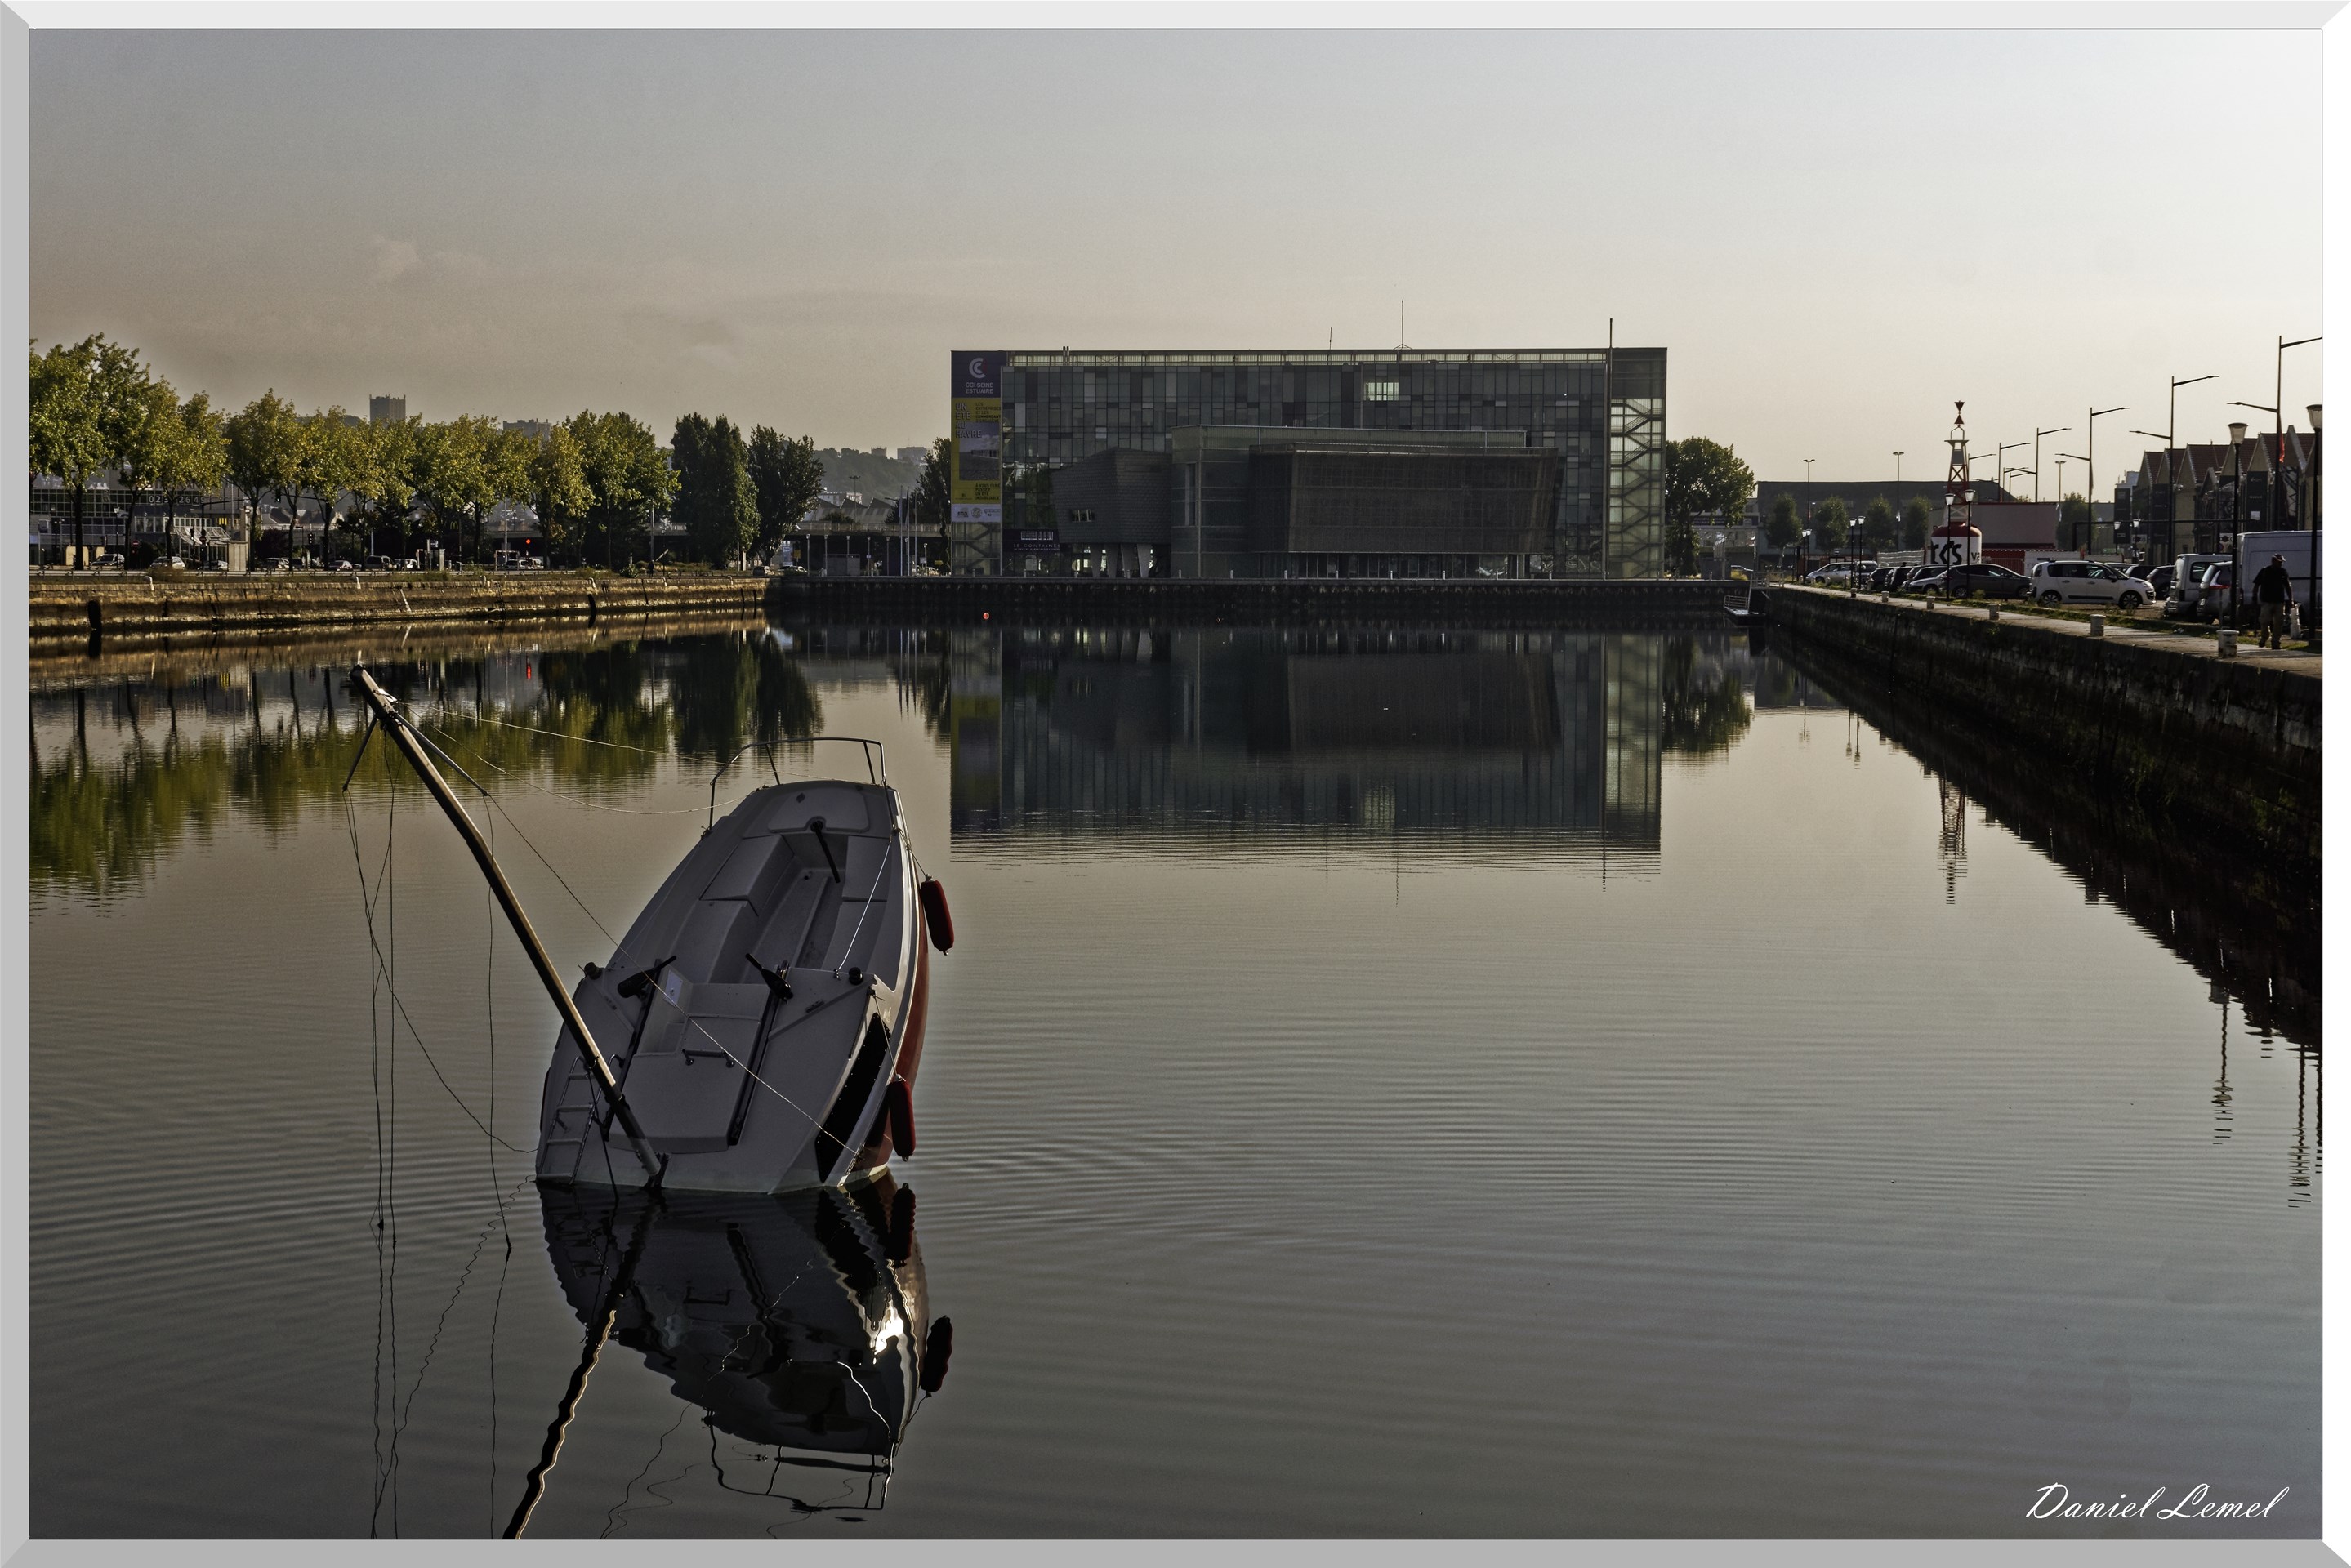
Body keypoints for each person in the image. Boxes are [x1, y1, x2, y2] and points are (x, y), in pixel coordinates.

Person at [2251, 553, 2295, 648]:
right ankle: (2264, 637)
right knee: (2264, 621)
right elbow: (2256, 585)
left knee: (2278, 623)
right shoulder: (2264, 571)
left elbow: (2288, 586)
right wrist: (2254, 597)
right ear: (2273, 561)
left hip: (2279, 601)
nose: (2281, 564)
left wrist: (2291, 599)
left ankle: (2276, 642)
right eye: (2279, 562)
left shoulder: (2283, 572)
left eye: (2282, 562)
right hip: (2266, 601)